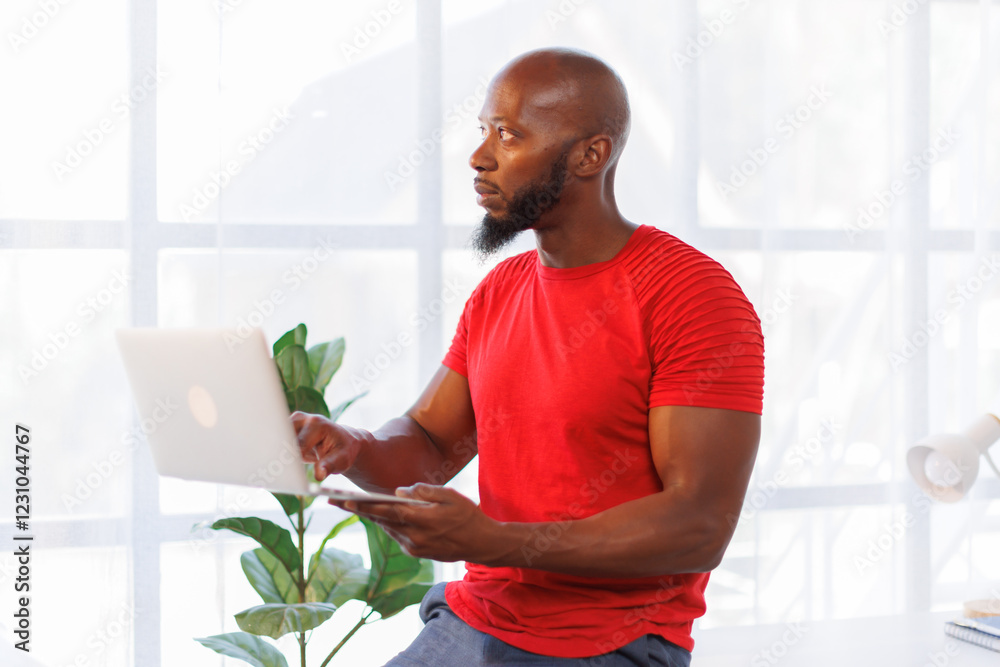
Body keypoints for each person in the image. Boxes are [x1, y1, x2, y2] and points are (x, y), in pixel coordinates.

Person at [293, 47, 764, 667]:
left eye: (509, 136)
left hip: (610, 643)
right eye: (484, 130)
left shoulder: (691, 295)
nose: (480, 156)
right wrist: (353, 448)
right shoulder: (501, 289)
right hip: (473, 618)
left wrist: (497, 541)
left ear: (589, 155)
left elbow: (700, 524)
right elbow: (431, 445)